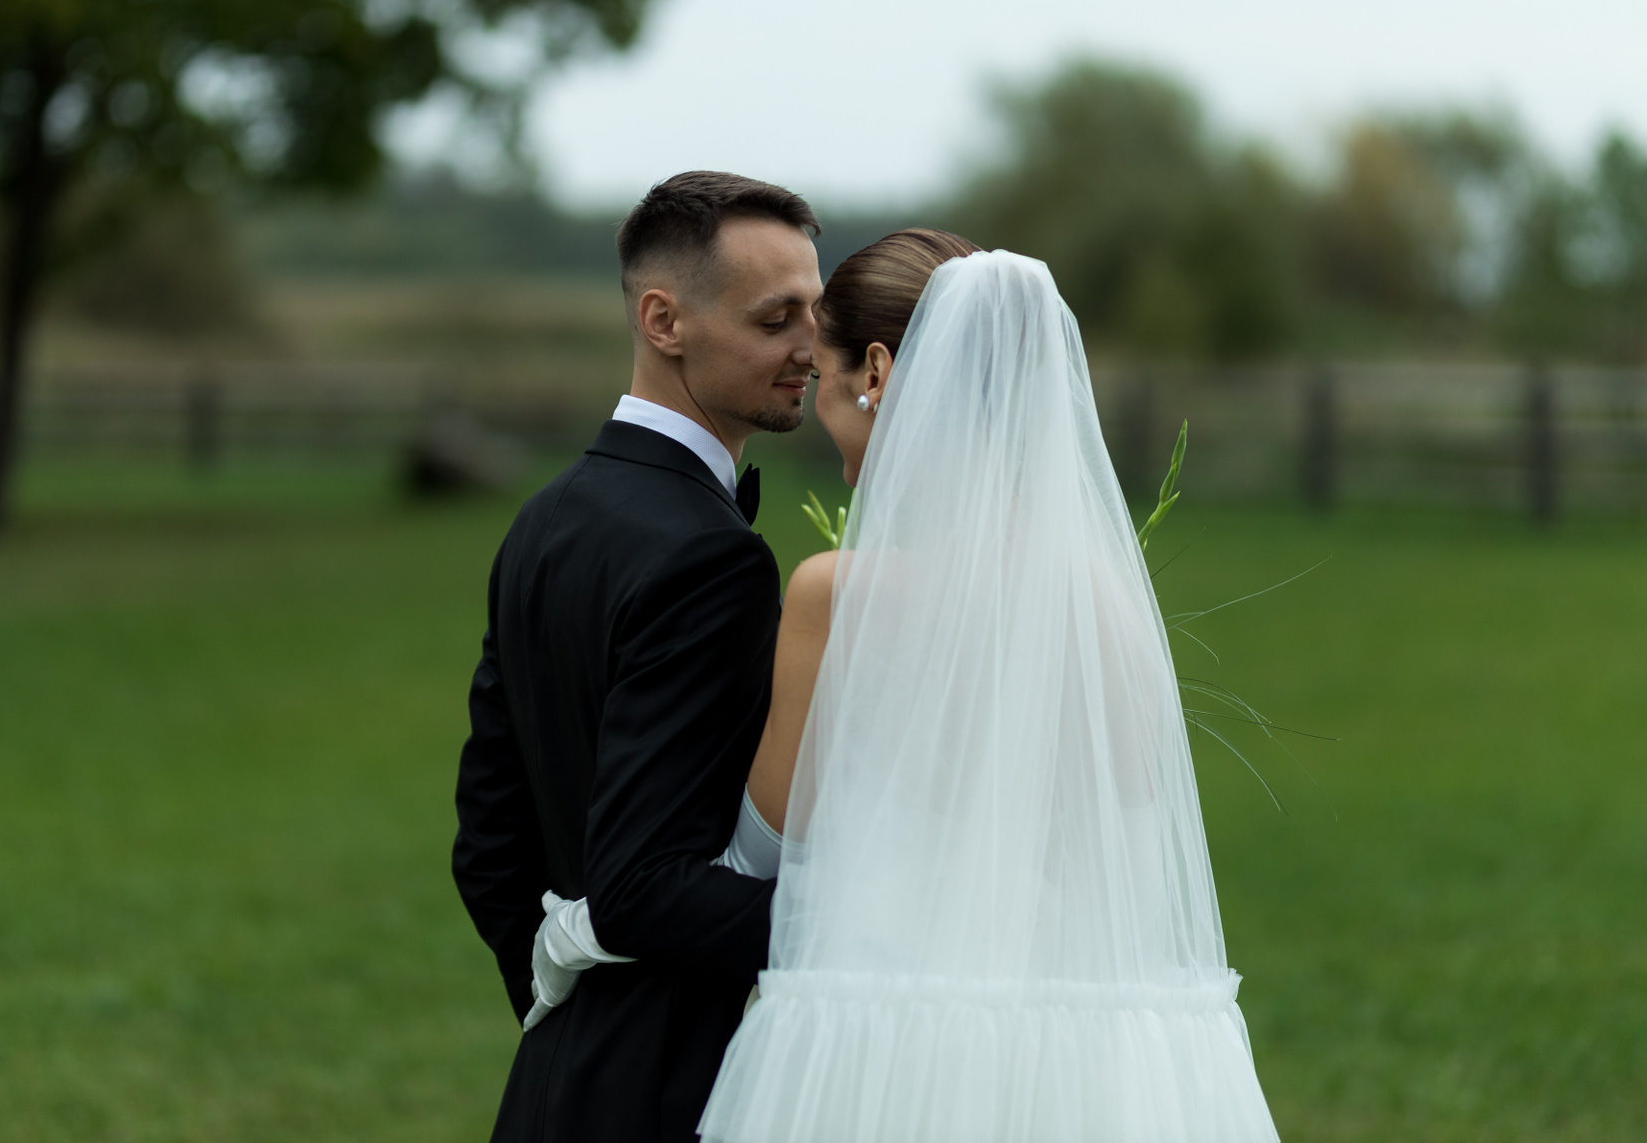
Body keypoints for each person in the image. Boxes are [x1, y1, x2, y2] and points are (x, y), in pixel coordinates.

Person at [543, 230, 1279, 1141]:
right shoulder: (1111, 612)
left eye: (824, 374)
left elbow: (763, 857)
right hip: (1079, 1056)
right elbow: (1111, 850)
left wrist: (587, 927)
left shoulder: (837, 597)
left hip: (885, 1044)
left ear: (878, 372)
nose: (817, 405)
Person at [451, 171, 821, 1143]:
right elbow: (642, 886)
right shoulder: (711, 556)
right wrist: (875, 933)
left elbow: (489, 836)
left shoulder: (546, 514)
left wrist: (561, 1003)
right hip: (675, 1084)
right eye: (776, 318)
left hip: (558, 1079)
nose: (811, 347)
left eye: (815, 313)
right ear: (665, 321)